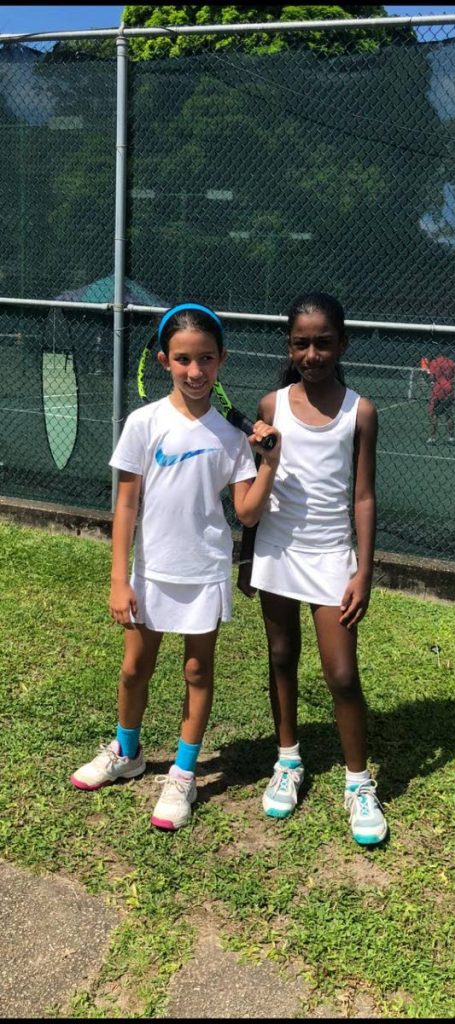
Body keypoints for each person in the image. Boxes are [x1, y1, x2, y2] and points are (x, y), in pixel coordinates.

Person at [71, 302, 280, 830]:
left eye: (206, 359)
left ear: (222, 360)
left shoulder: (232, 436)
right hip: (150, 572)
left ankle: (183, 774)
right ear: (164, 360)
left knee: (196, 671)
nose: (195, 371)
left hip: (205, 571)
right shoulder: (143, 423)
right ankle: (128, 752)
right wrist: (120, 579)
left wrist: (269, 463)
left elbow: (247, 510)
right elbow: (125, 506)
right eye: (183, 359)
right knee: (134, 668)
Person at [237, 291, 388, 846]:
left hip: (332, 558)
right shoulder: (272, 405)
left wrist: (363, 571)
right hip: (277, 550)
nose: (312, 353)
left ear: (342, 344)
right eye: (301, 342)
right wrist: (249, 553)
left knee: (342, 675)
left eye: (324, 342)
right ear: (290, 346)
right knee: (281, 656)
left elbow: (364, 497)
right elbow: (258, 481)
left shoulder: (360, 411)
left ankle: (358, 782)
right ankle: (288, 760)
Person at [423, 354, 455, 443]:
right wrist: (448, 383)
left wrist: (427, 381)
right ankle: (451, 438)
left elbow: (432, 377)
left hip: (437, 389)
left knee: (434, 414)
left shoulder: (434, 362)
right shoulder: (452, 363)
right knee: (449, 415)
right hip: (449, 389)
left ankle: (432, 438)